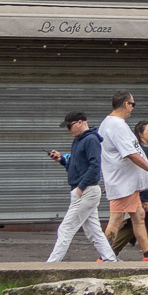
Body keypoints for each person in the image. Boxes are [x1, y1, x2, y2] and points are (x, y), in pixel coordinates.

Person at [99, 92, 148, 262]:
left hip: (127, 182)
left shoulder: (114, 124)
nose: (132, 107)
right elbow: (130, 153)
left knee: (139, 216)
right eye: (132, 104)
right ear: (125, 104)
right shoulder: (116, 125)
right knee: (116, 220)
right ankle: (104, 257)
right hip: (123, 182)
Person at [46, 112, 116, 264]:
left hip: (85, 191)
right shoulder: (79, 140)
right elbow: (79, 165)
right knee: (93, 232)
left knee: (66, 228)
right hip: (85, 190)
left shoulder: (90, 139)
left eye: (69, 126)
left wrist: (81, 187)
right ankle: (111, 261)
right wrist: (62, 160)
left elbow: (95, 165)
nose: (68, 130)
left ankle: (51, 265)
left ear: (79, 122)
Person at [112, 121, 148, 256]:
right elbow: (142, 174)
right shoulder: (143, 153)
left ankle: (108, 254)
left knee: (131, 227)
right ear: (140, 134)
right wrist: (144, 197)